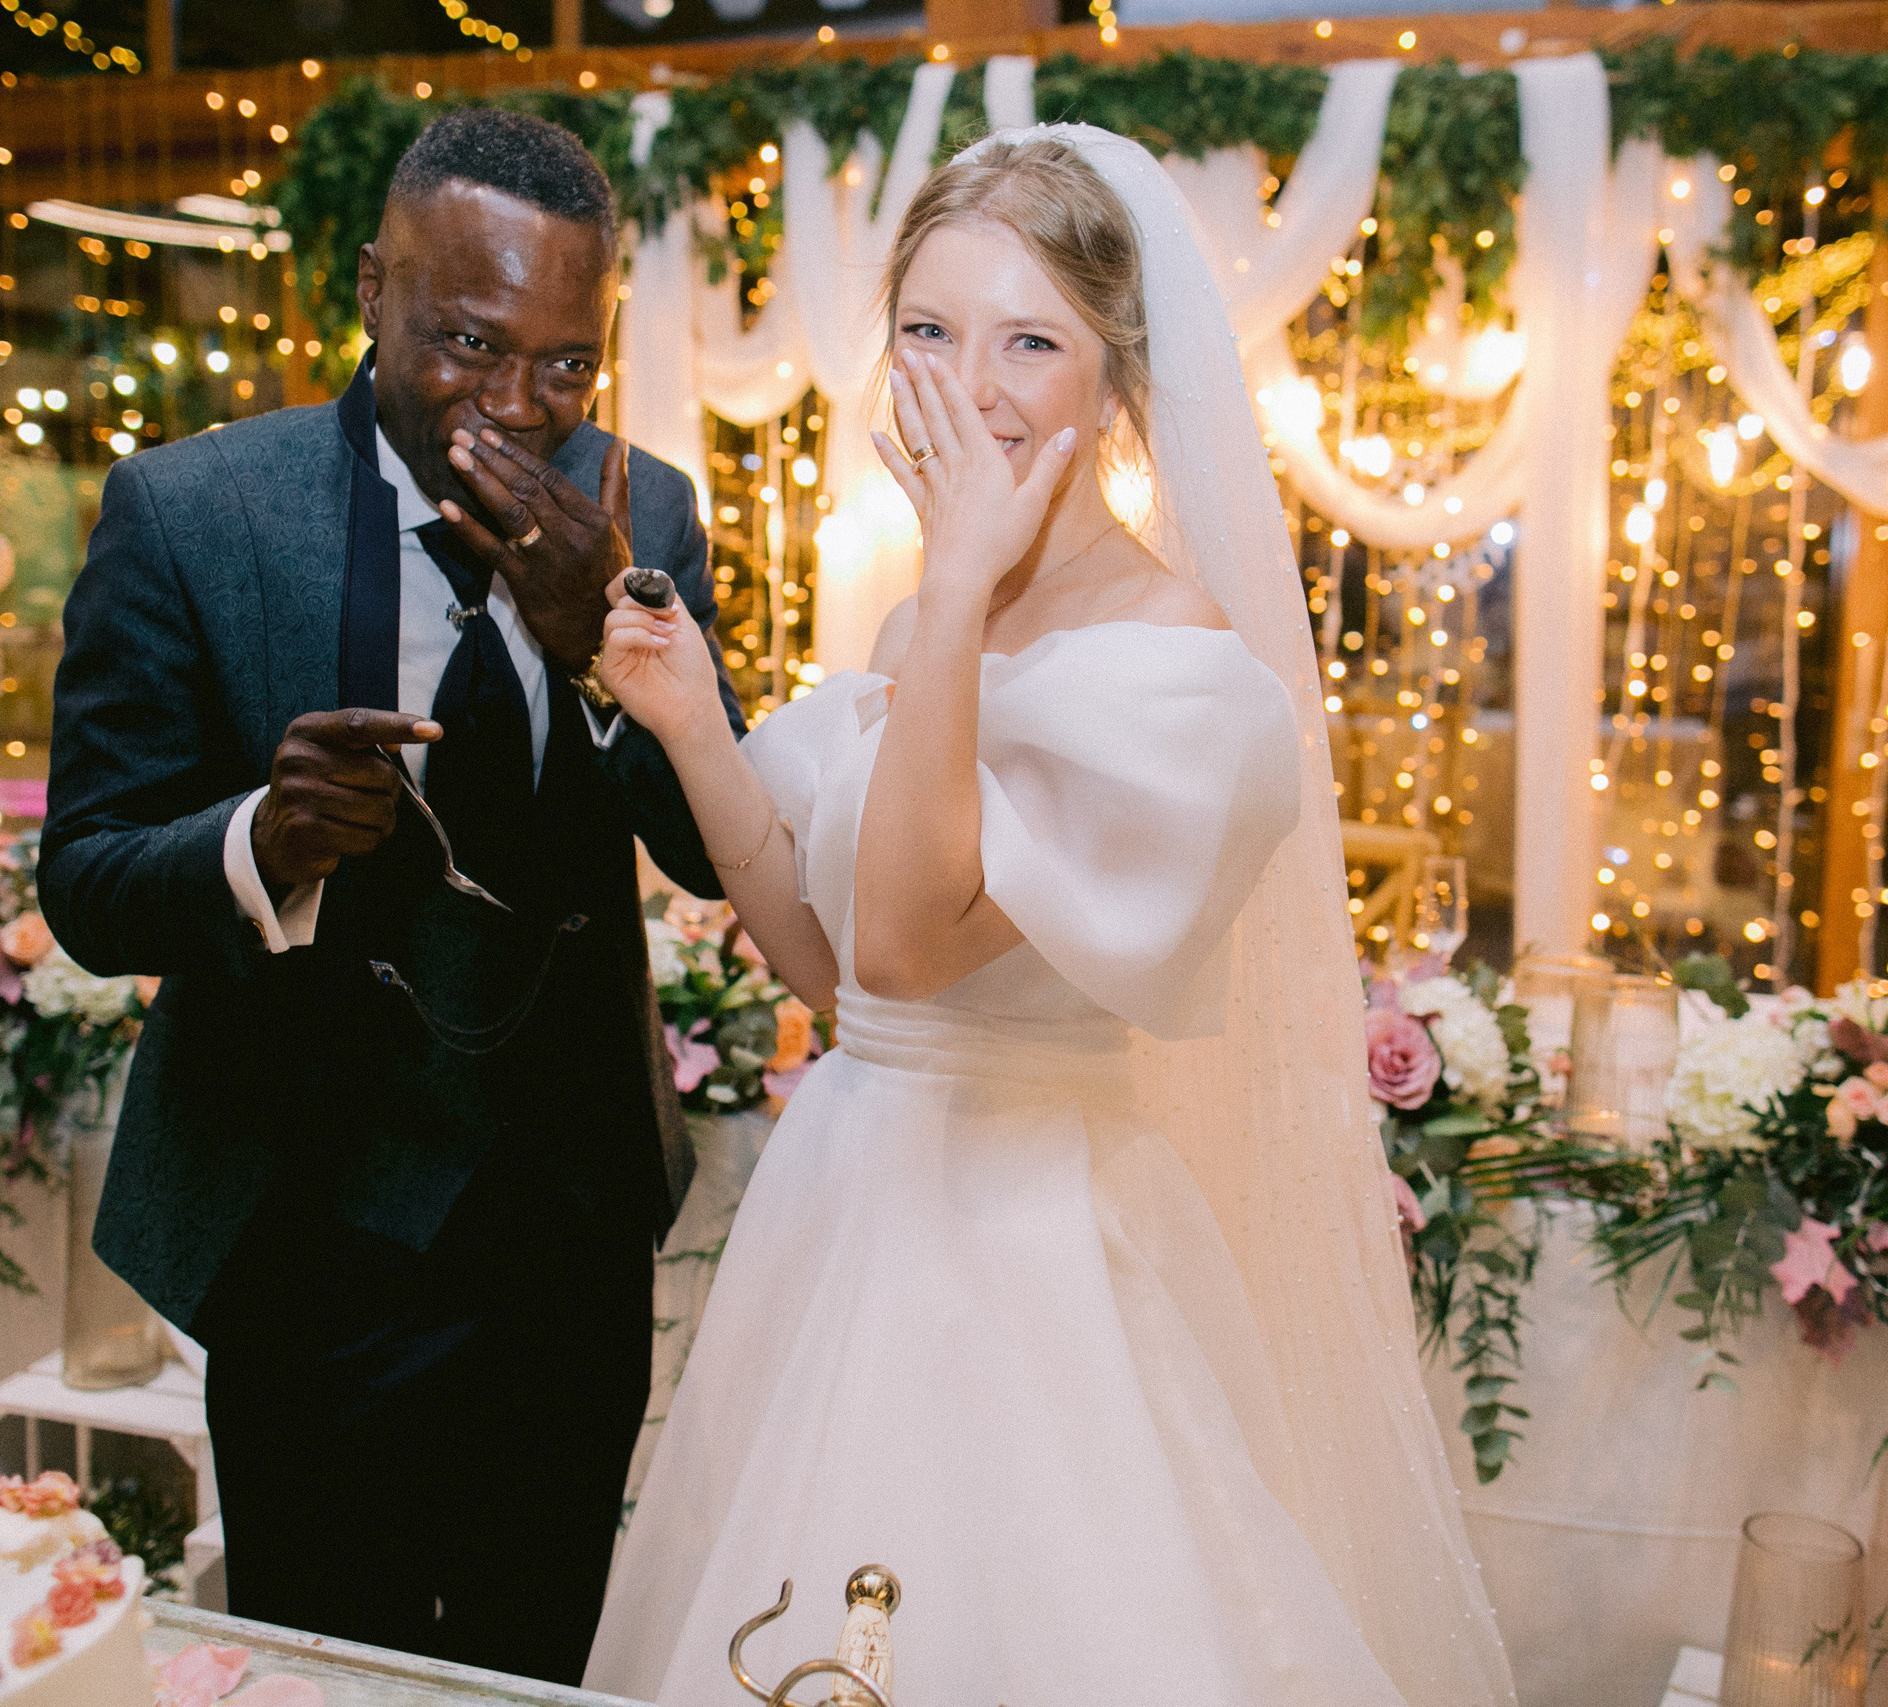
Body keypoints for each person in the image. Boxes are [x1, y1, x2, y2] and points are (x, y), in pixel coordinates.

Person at [581, 129, 1518, 1707]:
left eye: (1029, 341)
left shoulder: (1176, 656)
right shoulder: (913, 615)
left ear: (1115, 379)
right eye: (932, 333)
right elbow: (839, 978)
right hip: (843, 1202)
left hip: (1021, 1250)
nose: (973, 384)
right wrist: (690, 725)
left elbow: (916, 938)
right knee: (805, 1643)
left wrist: (955, 590)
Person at [39, 107, 741, 1680]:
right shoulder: (196, 513)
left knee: (536, 1646)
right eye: (468, 344)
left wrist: (601, 652)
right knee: (323, 1657)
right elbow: (85, 878)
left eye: (567, 365)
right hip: (308, 1224)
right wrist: (259, 840)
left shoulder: (652, 513)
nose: (515, 407)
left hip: (566, 1223)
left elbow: (716, 845)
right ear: (372, 288)